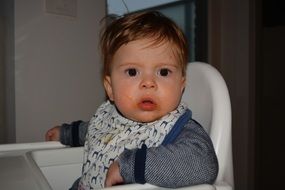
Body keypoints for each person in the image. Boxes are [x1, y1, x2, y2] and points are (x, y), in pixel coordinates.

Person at [45, 11, 218, 189]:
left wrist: (133, 165)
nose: (148, 83)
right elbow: (94, 130)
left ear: (181, 85)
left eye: (163, 72)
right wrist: (67, 133)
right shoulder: (111, 117)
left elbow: (204, 163)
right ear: (110, 88)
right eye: (132, 72)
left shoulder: (179, 128)